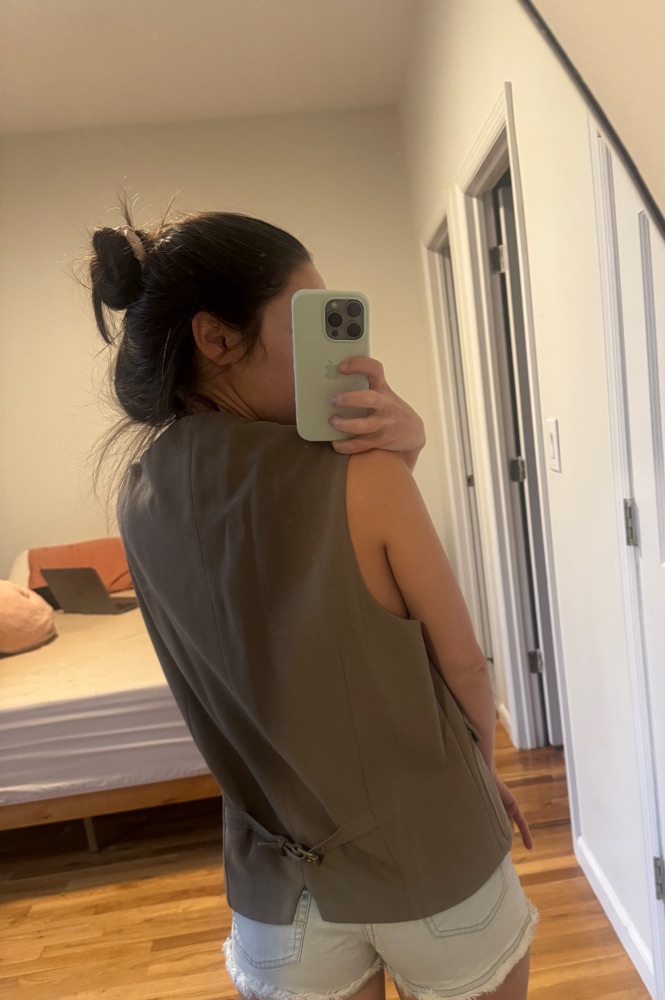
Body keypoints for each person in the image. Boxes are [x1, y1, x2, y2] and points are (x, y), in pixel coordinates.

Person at [87, 206, 538, 1000]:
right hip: (433, 864)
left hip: (278, 898)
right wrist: (482, 776)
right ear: (215, 338)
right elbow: (463, 664)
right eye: (309, 319)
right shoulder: (364, 473)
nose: (341, 352)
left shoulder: (136, 500)